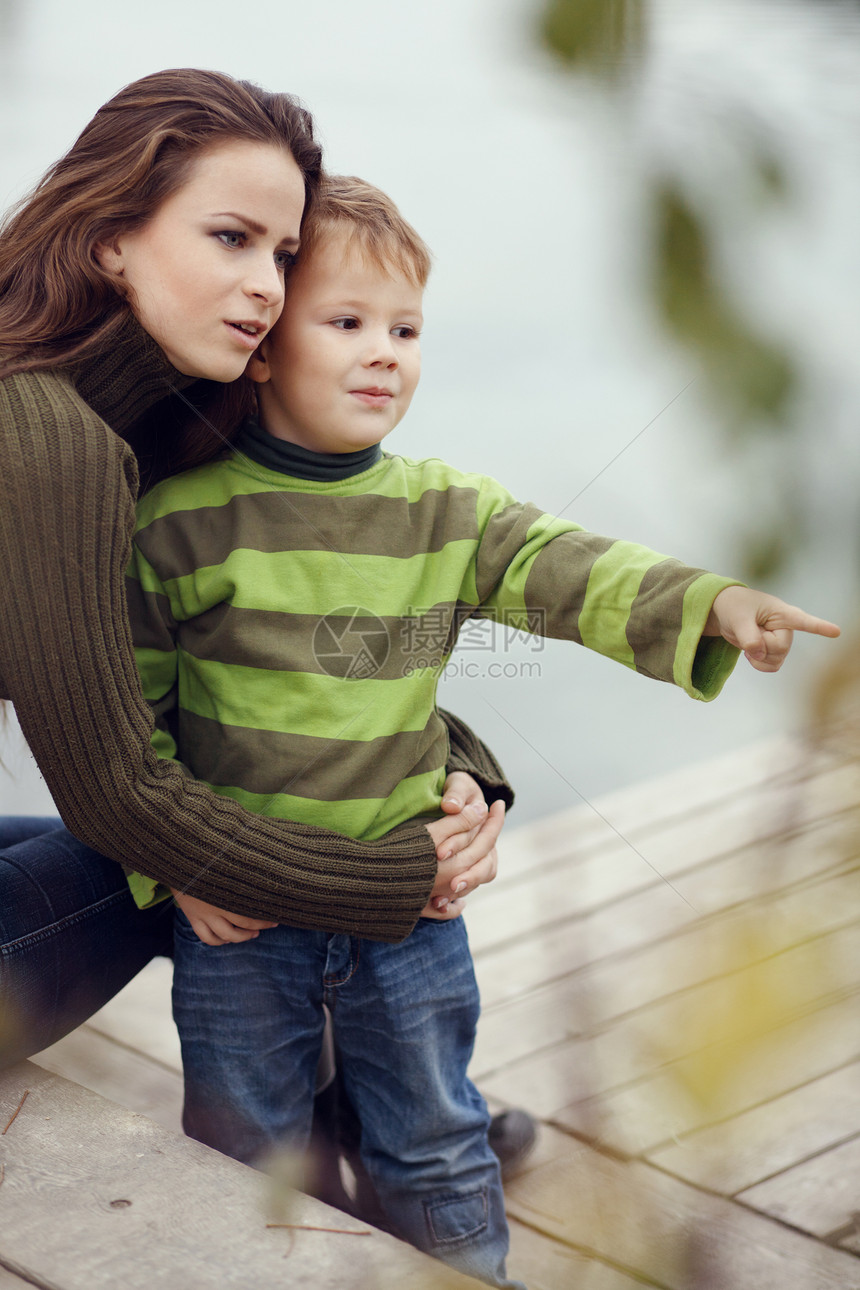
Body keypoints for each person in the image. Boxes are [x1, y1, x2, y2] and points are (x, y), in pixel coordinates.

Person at [124, 174, 840, 1288]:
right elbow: (133, 724)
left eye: (405, 329)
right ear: (263, 346)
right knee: (238, 1154)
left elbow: (566, 569)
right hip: (239, 928)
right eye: (347, 323)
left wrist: (705, 602)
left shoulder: (442, 510)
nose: (384, 353)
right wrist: (168, 874)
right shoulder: (180, 523)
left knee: (435, 1142)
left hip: (410, 909)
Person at [0, 71, 511, 1088]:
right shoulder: (49, 437)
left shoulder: (143, 425)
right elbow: (120, 794)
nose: (268, 286)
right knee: (156, 858)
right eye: (230, 239)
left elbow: (235, 656)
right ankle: (401, 1123)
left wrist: (452, 757)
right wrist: (407, 867)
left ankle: (398, 1117)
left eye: (282, 254)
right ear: (110, 238)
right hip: (126, 820)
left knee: (207, 837)